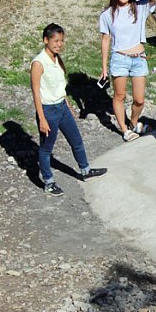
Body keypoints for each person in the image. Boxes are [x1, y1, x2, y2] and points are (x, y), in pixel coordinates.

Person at [31, 24, 107, 196]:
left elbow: (60, 85)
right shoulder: (38, 63)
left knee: (76, 141)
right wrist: (42, 118)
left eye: (62, 41)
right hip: (48, 110)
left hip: (62, 107)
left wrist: (68, 105)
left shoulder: (57, 59)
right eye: (56, 41)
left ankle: (85, 170)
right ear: (46, 40)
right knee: (46, 149)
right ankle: (48, 182)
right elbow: (35, 92)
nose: (59, 44)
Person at [99, 0, 156, 141]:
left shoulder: (140, 6)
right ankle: (125, 130)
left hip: (139, 58)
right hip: (120, 58)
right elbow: (105, 39)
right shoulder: (107, 14)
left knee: (139, 100)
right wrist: (104, 67)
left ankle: (133, 123)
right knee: (120, 96)